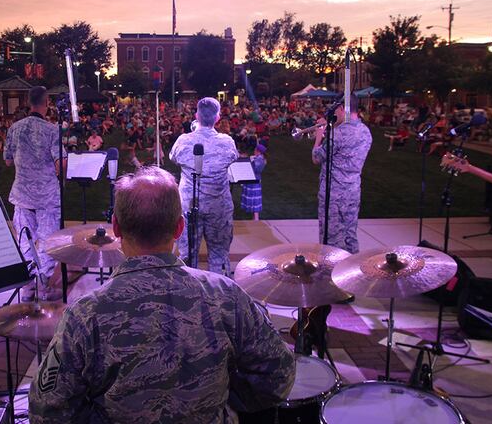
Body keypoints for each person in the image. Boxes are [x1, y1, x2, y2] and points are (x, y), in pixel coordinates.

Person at [29, 166, 295, 423]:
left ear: (116, 227)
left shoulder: (85, 314)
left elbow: (47, 411)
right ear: (179, 228)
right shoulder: (226, 296)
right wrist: (221, 397)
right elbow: (278, 376)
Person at [4, 86, 67, 302]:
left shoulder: (15, 128)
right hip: (47, 197)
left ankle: (28, 286)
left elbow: (8, 160)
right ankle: (44, 285)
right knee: (48, 240)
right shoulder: (51, 130)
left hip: (21, 195)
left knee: (25, 240)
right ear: (46, 102)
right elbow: (62, 162)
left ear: (29, 101)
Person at [170, 97, 239, 276]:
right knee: (219, 256)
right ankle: (219, 295)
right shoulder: (227, 142)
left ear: (196, 116)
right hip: (218, 208)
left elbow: (173, 157)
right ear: (217, 118)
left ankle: (190, 294)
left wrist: (194, 132)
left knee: (187, 256)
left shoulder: (184, 140)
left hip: (189, 207)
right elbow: (233, 157)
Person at [312, 94, 372, 254]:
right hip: (353, 191)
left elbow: (317, 158)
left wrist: (318, 138)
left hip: (333, 194)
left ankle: (331, 273)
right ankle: (352, 270)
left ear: (341, 108)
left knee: (330, 238)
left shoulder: (337, 134)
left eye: (335, 109)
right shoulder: (366, 132)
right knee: (349, 234)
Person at [240, 144, 267, 220]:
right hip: (251, 180)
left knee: (254, 199)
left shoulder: (260, 159)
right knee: (253, 198)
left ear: (258, 151)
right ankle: (254, 217)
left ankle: (256, 218)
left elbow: (256, 170)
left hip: (253, 181)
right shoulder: (259, 158)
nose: (254, 151)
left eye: (255, 150)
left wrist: (251, 161)